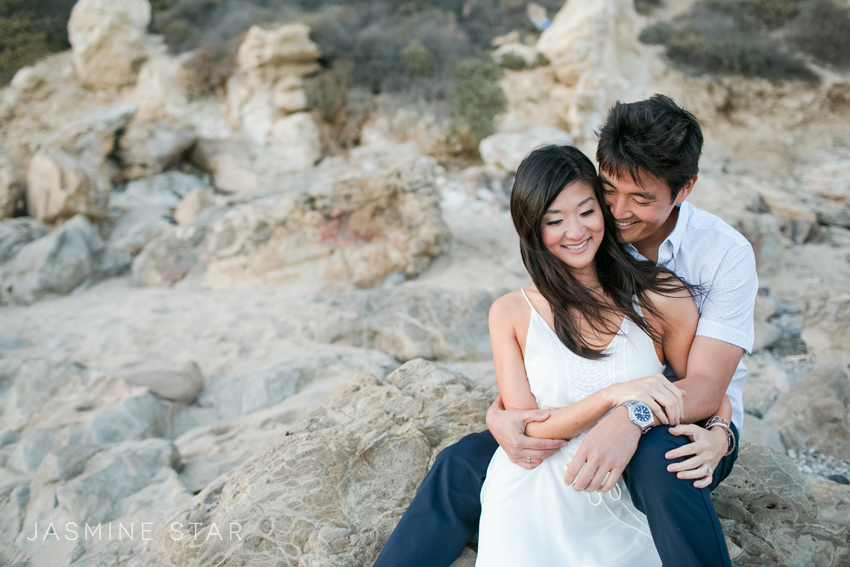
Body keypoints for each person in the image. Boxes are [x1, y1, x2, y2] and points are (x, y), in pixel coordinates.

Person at [373, 95, 756, 567]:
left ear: (684, 189)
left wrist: (683, 425)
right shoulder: (590, 223)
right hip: (576, 418)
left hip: (690, 422)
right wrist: (501, 416)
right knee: (462, 462)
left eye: (641, 198)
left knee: (658, 458)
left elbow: (704, 386)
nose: (618, 211)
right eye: (609, 191)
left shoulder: (721, 256)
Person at [475, 143, 732, 566]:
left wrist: (720, 434)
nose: (575, 232)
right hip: (533, 496)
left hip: (623, 486)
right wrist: (616, 396)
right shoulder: (510, 312)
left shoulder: (659, 297)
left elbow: (704, 386)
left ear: (604, 209)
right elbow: (530, 430)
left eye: (586, 212)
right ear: (531, 229)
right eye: (554, 220)